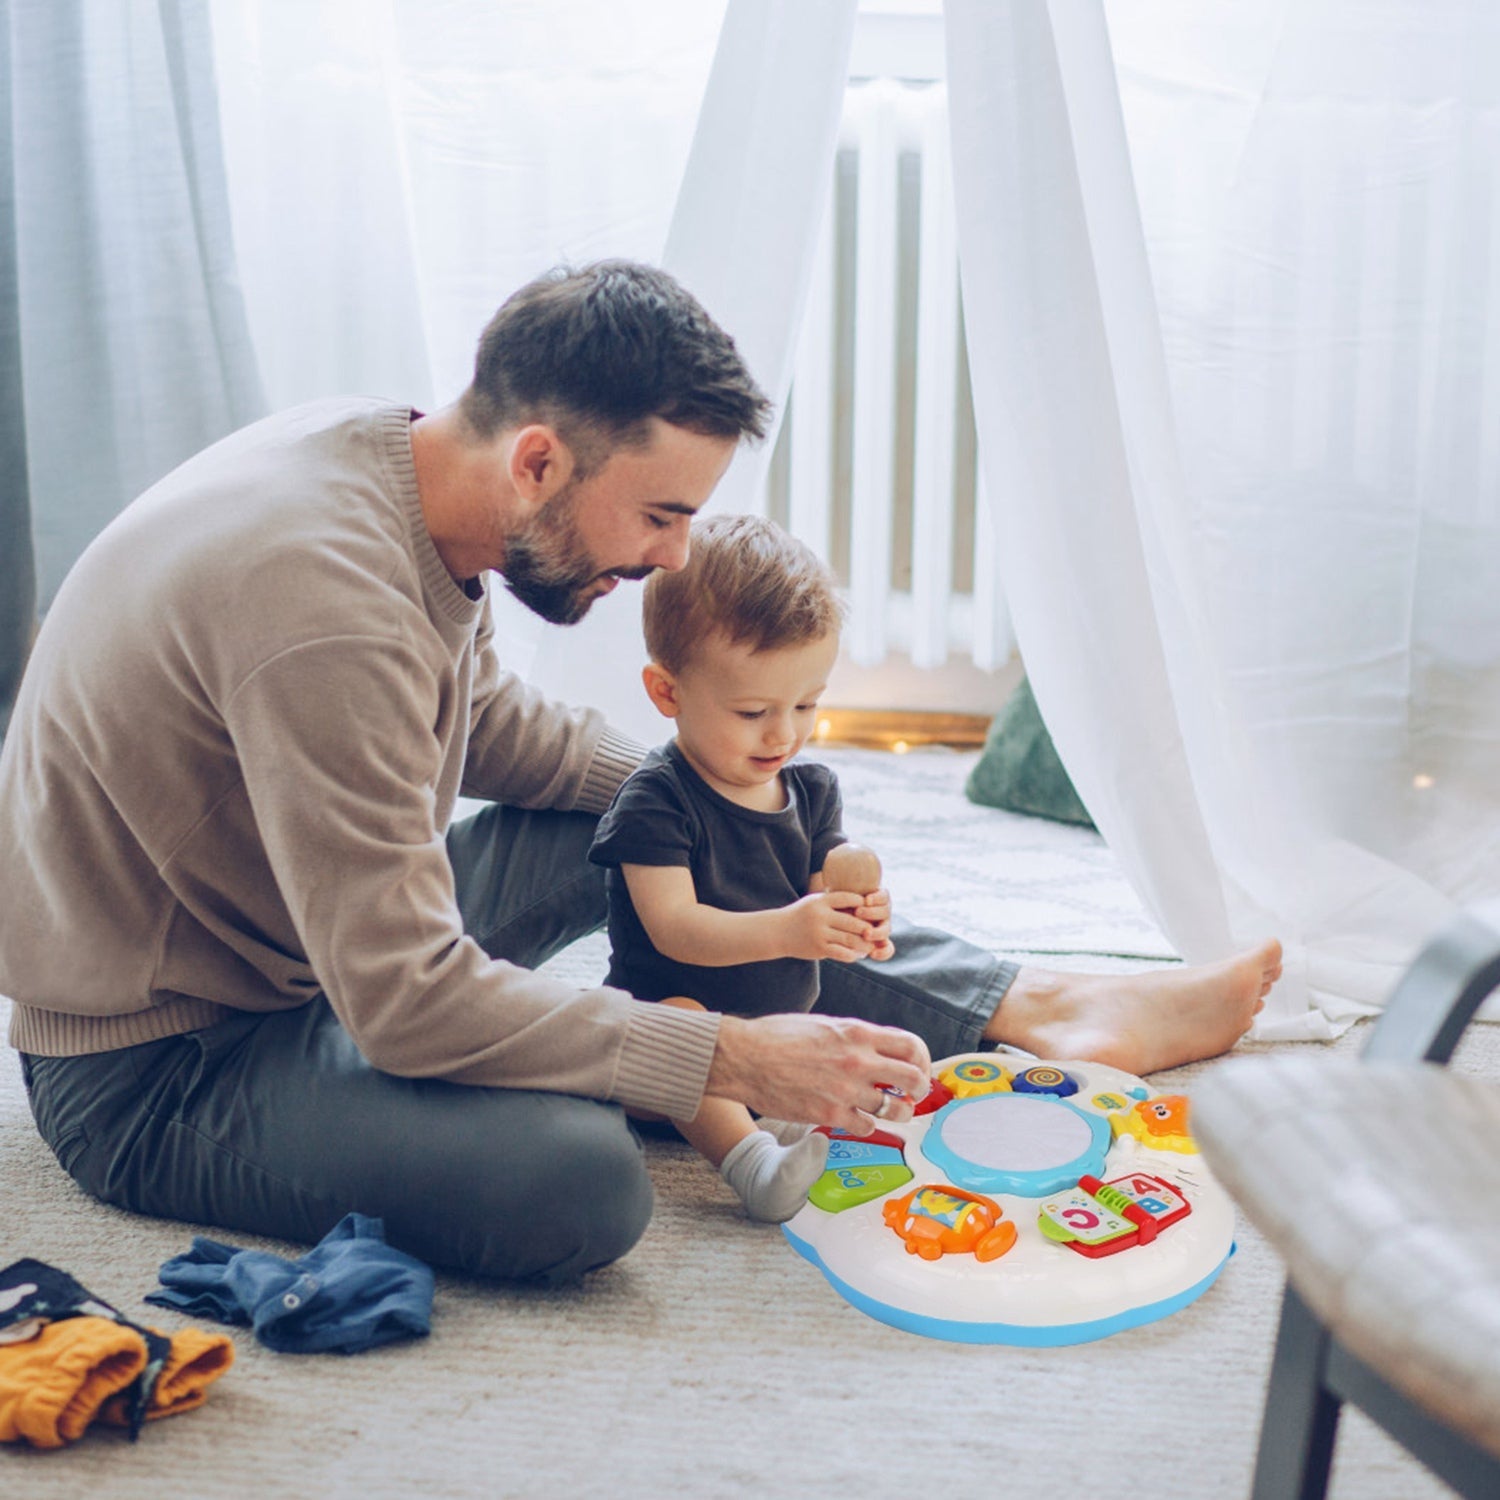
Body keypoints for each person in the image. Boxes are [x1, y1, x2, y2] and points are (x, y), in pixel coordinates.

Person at [0, 260, 1281, 1287]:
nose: (674, 561)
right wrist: (726, 1057)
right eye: (661, 516)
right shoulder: (323, 607)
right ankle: (825, 1031)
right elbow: (404, 1004)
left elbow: (494, 730)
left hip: (291, 937)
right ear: (542, 460)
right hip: (168, 1059)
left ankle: (1023, 1000)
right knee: (580, 1186)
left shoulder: (406, 472)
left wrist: (733, 787)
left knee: (650, 814)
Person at [590, 515, 897, 1222]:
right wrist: (791, 931)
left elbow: (823, 895)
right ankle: (753, 1164)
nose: (784, 732)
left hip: (779, 1035)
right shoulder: (656, 799)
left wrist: (855, 917)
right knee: (681, 1019)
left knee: (870, 1035)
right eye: (754, 710)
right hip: (666, 1054)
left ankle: (804, 1111)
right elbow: (676, 929)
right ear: (667, 693)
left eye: (807, 704)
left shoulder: (811, 789)